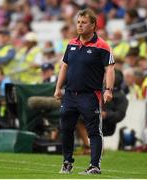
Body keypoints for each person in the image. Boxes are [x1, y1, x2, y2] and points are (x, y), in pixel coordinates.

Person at [54, 8, 115, 174]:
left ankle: (95, 166)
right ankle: (67, 162)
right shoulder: (71, 43)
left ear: (93, 25)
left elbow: (110, 69)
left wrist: (108, 90)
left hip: (90, 95)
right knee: (65, 129)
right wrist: (58, 87)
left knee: (94, 131)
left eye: (84, 22)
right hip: (70, 95)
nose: (80, 26)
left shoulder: (102, 46)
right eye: (78, 22)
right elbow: (64, 66)